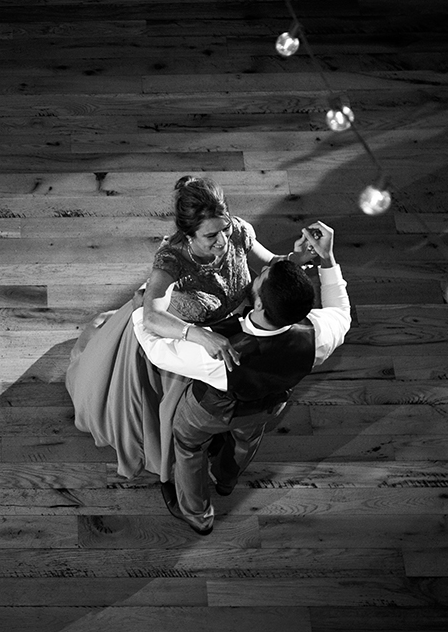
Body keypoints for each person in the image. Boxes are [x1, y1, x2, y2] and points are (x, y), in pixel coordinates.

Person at [67, 176, 319, 482]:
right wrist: (198, 334)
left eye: (224, 228)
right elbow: (150, 317)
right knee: (180, 421)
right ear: (189, 234)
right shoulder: (172, 258)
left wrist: (297, 258)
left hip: (231, 332)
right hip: (182, 342)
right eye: (211, 235)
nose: (223, 241)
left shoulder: (238, 232)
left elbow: (269, 266)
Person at [132, 221, 350, 534]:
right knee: (248, 436)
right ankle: (226, 480)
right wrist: (327, 260)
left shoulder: (219, 351)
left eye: (259, 277)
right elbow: (341, 312)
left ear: (258, 302)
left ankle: (197, 514)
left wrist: (143, 306)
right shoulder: (320, 335)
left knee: (189, 446)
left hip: (209, 413)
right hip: (268, 405)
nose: (256, 274)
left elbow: (155, 348)